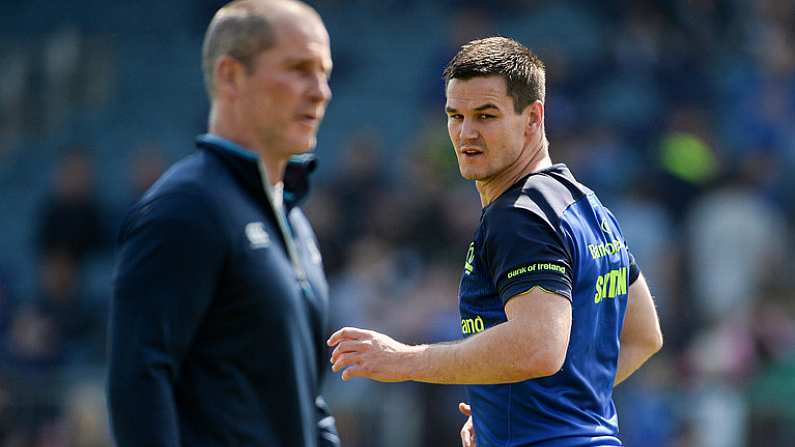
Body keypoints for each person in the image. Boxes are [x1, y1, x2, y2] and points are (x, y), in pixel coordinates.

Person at [328, 37, 663, 447]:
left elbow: (538, 346)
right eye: (456, 115)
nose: (466, 132)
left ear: (533, 118)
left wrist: (403, 361)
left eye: (486, 115)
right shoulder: (587, 207)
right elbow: (645, 335)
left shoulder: (518, 215)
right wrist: (515, 410)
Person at [107, 1, 339, 446]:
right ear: (230, 75)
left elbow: (304, 398)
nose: (320, 90)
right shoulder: (185, 208)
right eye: (298, 68)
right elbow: (139, 380)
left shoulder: (294, 220)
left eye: (324, 72)